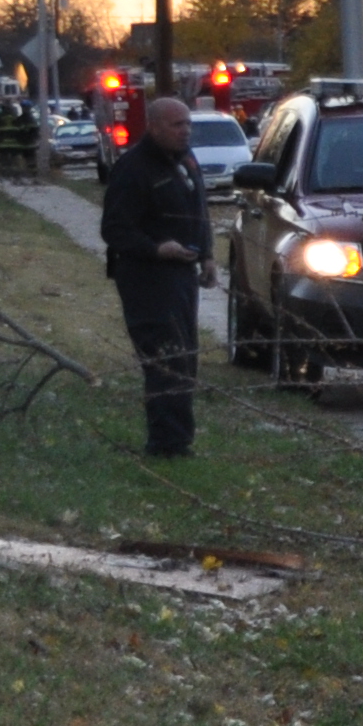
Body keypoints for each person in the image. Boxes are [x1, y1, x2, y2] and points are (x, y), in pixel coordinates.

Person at [99, 94, 211, 459]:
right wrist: (156, 249)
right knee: (166, 357)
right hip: (147, 278)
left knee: (185, 357)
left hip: (181, 274)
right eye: (177, 125)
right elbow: (115, 229)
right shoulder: (134, 168)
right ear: (155, 126)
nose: (185, 132)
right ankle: (165, 445)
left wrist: (207, 256)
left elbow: (200, 212)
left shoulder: (186, 161)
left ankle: (180, 439)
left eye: (188, 124)